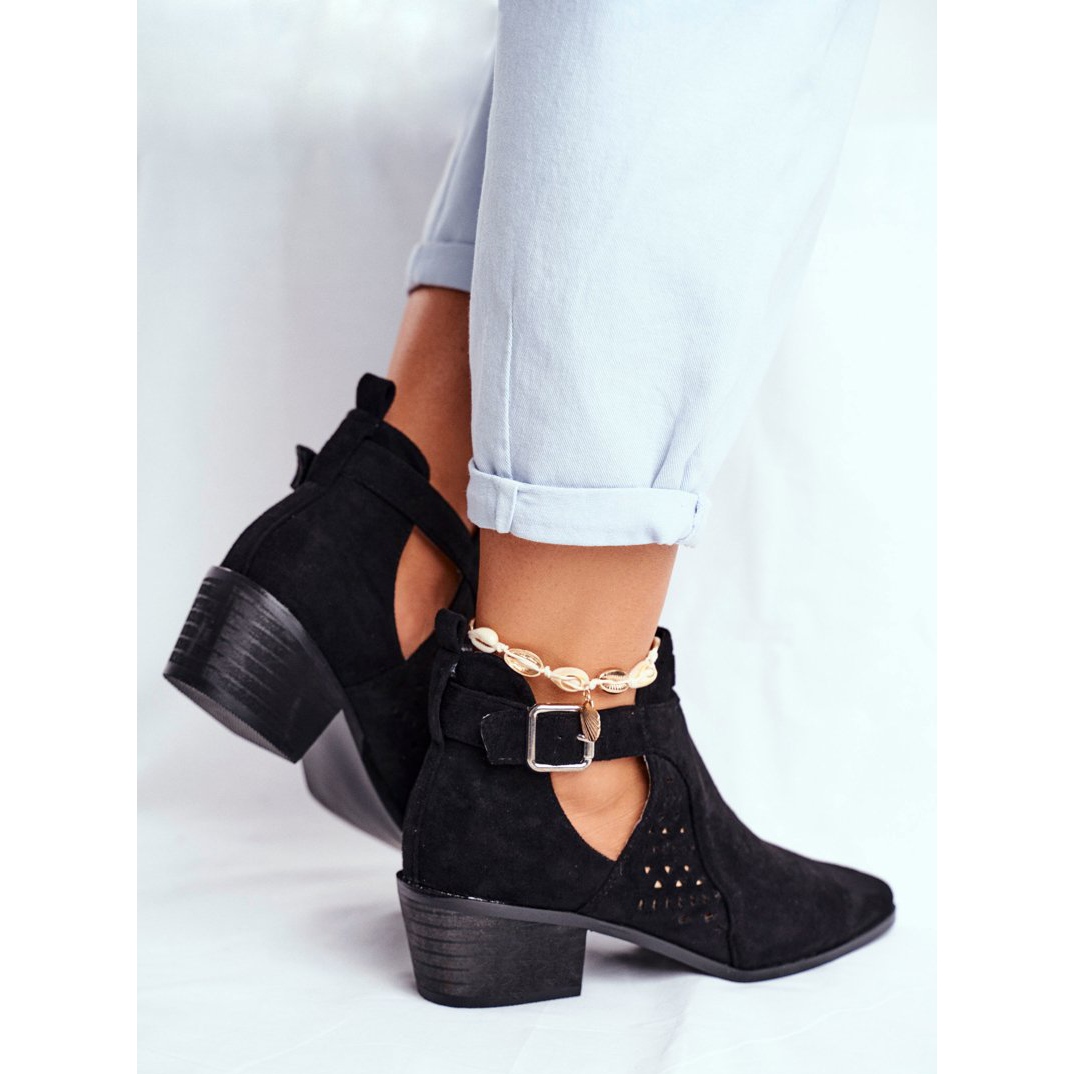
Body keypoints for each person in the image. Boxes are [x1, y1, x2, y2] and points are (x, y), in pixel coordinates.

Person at [165, 0, 894, 1007]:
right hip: (547, 744)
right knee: (716, 37)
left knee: (609, 33)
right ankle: (568, 750)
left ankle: (387, 520)